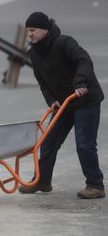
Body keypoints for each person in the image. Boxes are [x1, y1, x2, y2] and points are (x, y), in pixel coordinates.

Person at [18, 12, 105, 199]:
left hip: (85, 99)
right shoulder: (34, 53)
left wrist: (80, 82)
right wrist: (51, 99)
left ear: (45, 29)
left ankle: (95, 185)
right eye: (28, 31)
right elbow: (42, 82)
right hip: (64, 104)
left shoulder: (65, 43)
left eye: (33, 30)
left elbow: (84, 61)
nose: (30, 34)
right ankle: (42, 181)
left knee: (84, 144)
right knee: (48, 142)